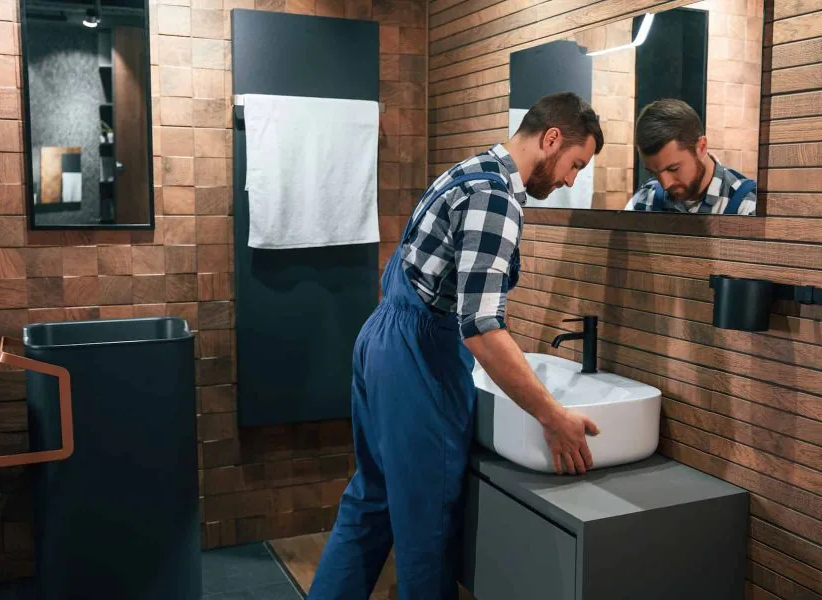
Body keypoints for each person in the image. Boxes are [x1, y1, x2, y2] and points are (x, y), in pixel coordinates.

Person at [307, 92, 605, 600]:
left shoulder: (471, 169)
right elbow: (482, 329)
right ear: (551, 138)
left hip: (382, 339)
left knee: (370, 503)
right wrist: (552, 415)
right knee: (427, 530)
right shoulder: (496, 195)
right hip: (417, 360)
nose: (570, 181)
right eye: (575, 164)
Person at [625, 99, 757, 215]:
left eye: (673, 169)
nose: (665, 184)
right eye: (654, 173)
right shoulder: (644, 200)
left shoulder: (747, 206)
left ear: (701, 147)